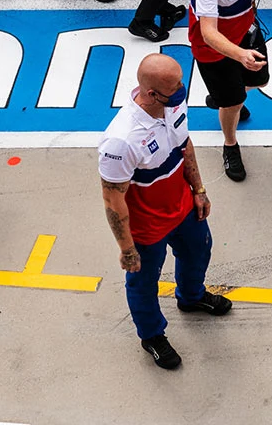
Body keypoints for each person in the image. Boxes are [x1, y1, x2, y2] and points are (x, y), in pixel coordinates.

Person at [98, 52, 229, 370]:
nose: (182, 90)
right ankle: (152, 336)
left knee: (199, 253)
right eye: (175, 87)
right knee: (143, 284)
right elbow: (113, 199)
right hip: (147, 228)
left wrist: (198, 190)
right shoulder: (121, 141)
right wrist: (127, 249)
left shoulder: (173, 104)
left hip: (183, 208)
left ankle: (191, 297)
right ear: (152, 93)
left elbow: (185, 145)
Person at [188, 0, 269, 182]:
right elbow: (208, 33)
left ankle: (224, 98)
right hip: (215, 48)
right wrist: (240, 54)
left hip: (245, 29)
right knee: (233, 102)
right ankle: (230, 144)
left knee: (260, 80)